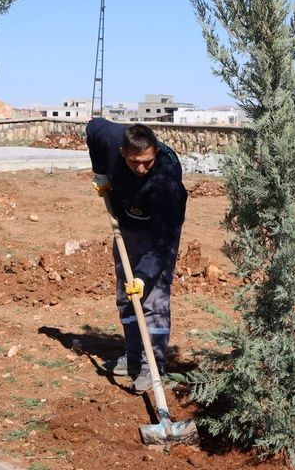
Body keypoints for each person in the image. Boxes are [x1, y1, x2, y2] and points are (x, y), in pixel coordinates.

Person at [86, 117, 187, 392]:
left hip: (159, 229)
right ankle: (132, 357)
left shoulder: (167, 182)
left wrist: (143, 276)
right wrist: (100, 172)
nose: (141, 168)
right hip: (126, 224)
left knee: (152, 297)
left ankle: (152, 365)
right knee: (125, 295)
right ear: (122, 152)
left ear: (156, 152)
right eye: (134, 162)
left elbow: (164, 241)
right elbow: (92, 128)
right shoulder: (110, 138)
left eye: (147, 162)